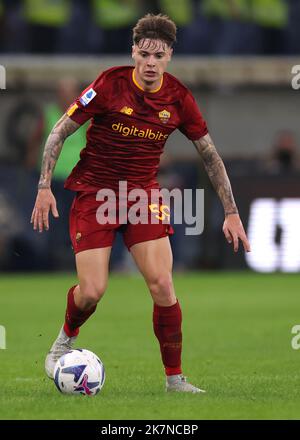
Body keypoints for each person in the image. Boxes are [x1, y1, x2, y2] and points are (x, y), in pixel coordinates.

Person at [31, 13, 250, 393]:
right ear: (134, 52)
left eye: (159, 55)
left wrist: (231, 212)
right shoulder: (109, 84)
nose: (151, 62)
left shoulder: (179, 98)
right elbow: (60, 131)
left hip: (141, 197)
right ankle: (64, 339)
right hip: (95, 194)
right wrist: (44, 186)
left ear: (169, 57)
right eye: (145, 54)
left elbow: (210, 156)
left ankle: (175, 379)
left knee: (164, 285)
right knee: (93, 291)